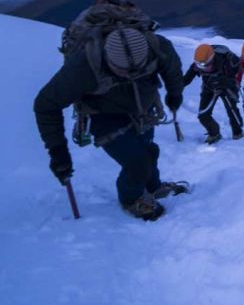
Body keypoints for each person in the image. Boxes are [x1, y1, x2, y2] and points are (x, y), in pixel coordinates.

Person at [34, 26, 187, 221]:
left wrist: (175, 93)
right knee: (136, 161)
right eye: (124, 71)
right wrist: (57, 151)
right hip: (105, 115)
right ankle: (131, 199)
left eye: (138, 69)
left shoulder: (157, 46)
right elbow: (46, 104)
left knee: (149, 151)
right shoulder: (84, 67)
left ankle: (153, 187)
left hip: (143, 108)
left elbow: (172, 69)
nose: (131, 74)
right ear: (108, 58)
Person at [183, 43, 244, 143]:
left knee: (232, 110)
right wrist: (176, 87)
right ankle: (214, 133)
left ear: (212, 58)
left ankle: (238, 132)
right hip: (209, 87)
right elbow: (187, 78)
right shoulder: (199, 63)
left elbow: (238, 73)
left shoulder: (227, 61)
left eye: (206, 65)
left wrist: (230, 82)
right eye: (200, 65)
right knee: (203, 115)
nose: (203, 68)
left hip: (227, 87)